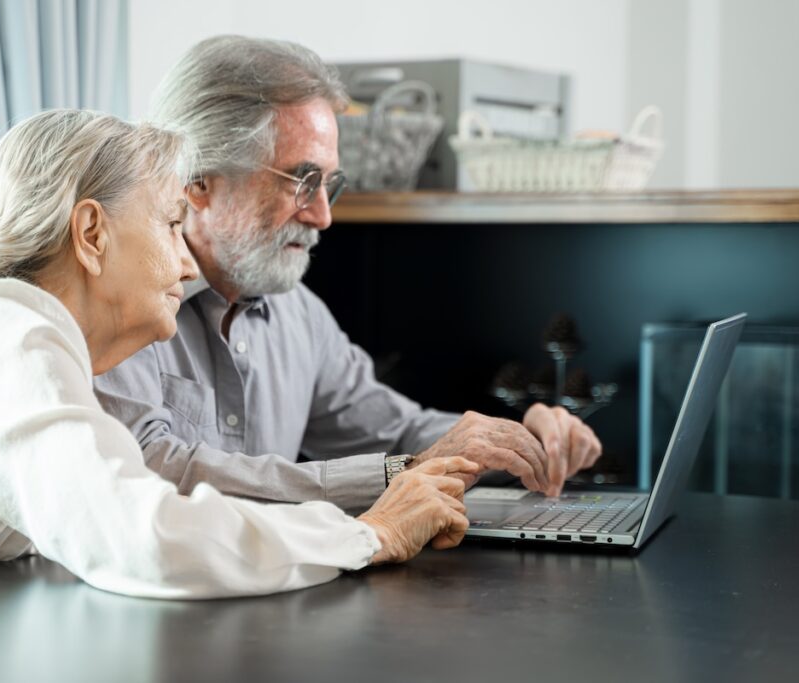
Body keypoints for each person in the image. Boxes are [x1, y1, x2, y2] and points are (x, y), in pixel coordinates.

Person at [0, 109, 478, 599]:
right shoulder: (3, 329)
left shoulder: (2, 330)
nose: (187, 259)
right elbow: (138, 534)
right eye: (166, 223)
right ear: (92, 233)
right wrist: (369, 534)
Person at [94, 36, 603, 511]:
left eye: (329, 185)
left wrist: (517, 443)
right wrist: (399, 473)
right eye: (302, 180)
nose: (322, 215)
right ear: (197, 181)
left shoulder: (299, 315)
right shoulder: (115, 297)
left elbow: (399, 432)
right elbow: (148, 470)